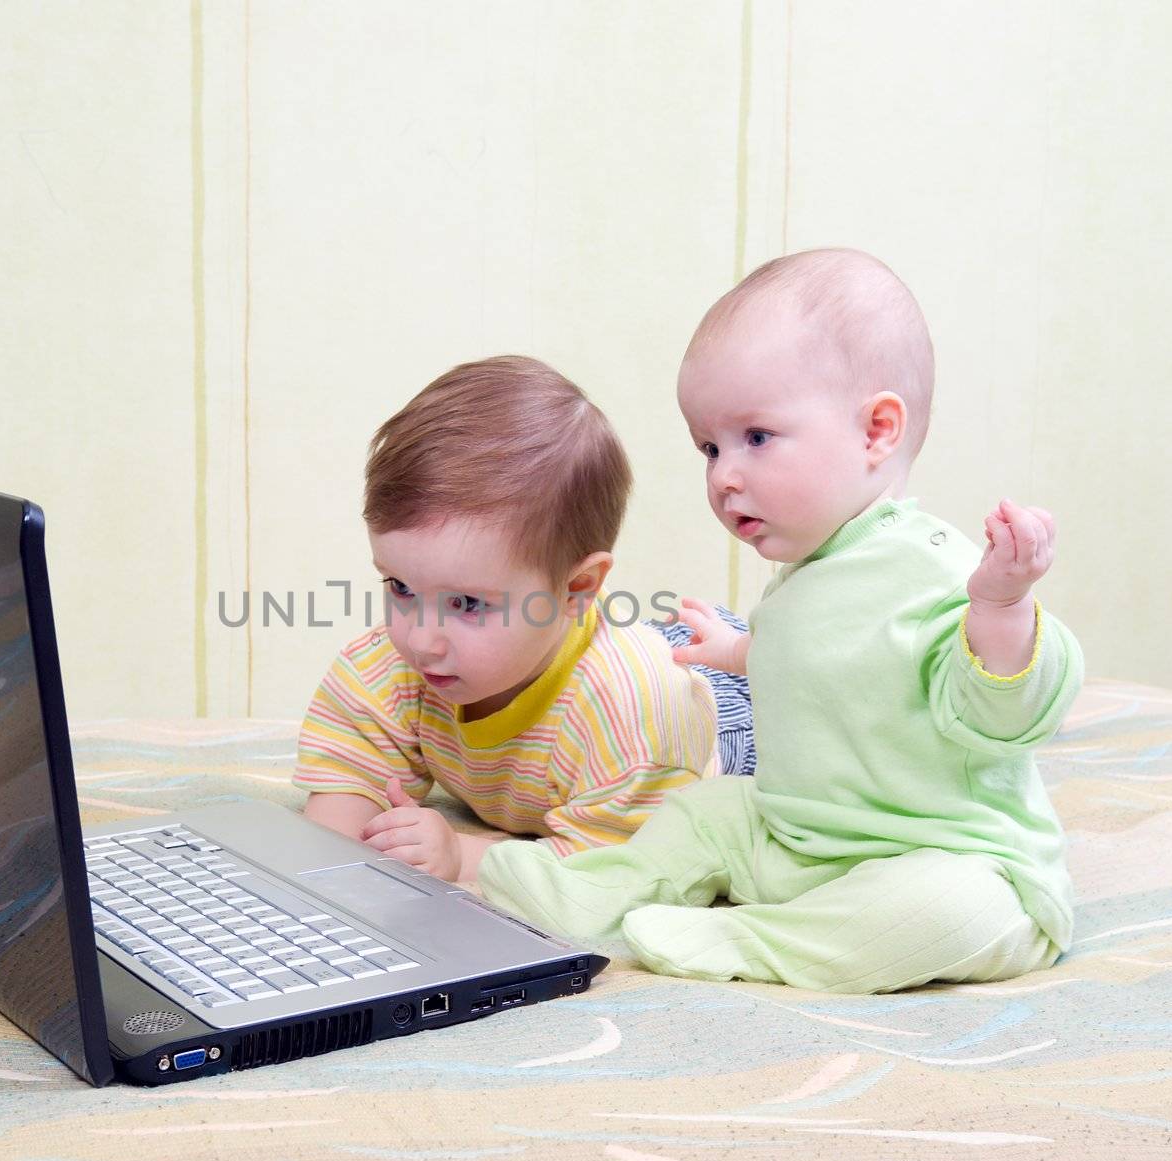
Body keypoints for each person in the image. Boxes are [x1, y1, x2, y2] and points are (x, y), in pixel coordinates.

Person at [476, 249, 1082, 993]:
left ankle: (755, 939)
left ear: (876, 431)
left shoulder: (935, 571)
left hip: (942, 852)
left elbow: (1001, 706)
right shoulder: (813, 571)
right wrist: (737, 651)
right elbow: (830, 666)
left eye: (756, 438)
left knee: (947, 913)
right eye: (709, 447)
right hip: (800, 840)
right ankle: (593, 891)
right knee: (704, 811)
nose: (723, 475)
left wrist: (1002, 606)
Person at [292, 355, 726, 881]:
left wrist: (467, 857)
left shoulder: (635, 725)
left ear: (578, 588)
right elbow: (341, 801)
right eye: (401, 587)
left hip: (725, 704)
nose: (422, 639)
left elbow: (622, 871)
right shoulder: (390, 667)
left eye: (468, 604)